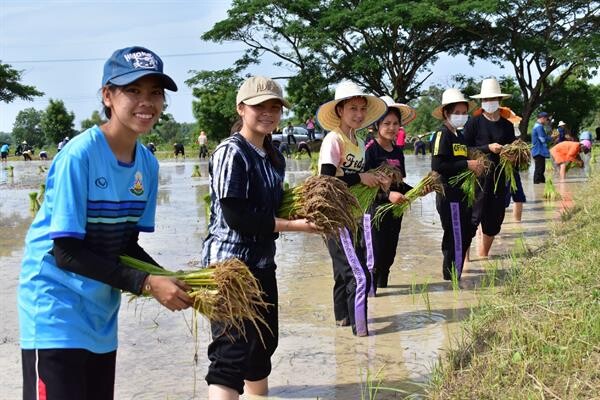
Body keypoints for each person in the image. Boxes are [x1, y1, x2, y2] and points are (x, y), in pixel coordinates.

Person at [18, 46, 192, 400]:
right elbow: (66, 251)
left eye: (155, 92)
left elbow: (123, 244)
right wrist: (147, 283)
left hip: (100, 314)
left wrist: (175, 281)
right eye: (133, 90)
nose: (147, 102)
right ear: (108, 96)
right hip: (54, 311)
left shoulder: (147, 164)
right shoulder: (79, 155)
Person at [201, 76, 316, 399]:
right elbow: (236, 216)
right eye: (259, 107)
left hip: (263, 261)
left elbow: (273, 206)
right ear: (241, 108)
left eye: (274, 107)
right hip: (230, 267)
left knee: (264, 343)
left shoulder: (273, 155)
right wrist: (296, 226)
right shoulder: (231, 152)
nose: (268, 113)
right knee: (231, 352)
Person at [317, 80, 387, 336]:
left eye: (361, 109)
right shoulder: (333, 141)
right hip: (335, 216)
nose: (358, 115)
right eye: (352, 109)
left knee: (343, 272)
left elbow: (356, 175)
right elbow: (326, 181)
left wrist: (374, 178)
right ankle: (362, 333)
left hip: (353, 215)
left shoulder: (356, 140)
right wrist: (360, 178)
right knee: (357, 275)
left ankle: (342, 324)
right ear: (339, 111)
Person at [431, 88, 483, 280]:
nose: (461, 117)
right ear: (446, 113)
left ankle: (456, 275)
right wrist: (467, 164)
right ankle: (450, 278)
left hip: (463, 193)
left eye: (464, 113)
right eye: (457, 113)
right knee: (454, 235)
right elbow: (438, 165)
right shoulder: (441, 135)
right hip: (448, 194)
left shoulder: (459, 136)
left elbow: (464, 162)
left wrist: (475, 166)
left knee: (466, 230)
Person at [364, 96, 416, 289]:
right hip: (375, 210)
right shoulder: (370, 150)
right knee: (374, 255)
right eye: (386, 123)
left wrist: (418, 190)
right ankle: (371, 296)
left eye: (395, 124)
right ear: (377, 125)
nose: (391, 128)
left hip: (394, 211)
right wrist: (387, 196)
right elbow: (364, 186)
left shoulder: (397, 151)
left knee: (389, 254)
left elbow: (399, 184)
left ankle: (383, 293)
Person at [464, 78, 516, 258]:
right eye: (486, 100)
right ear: (481, 102)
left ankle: (483, 257)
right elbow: (464, 149)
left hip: (499, 178)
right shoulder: (474, 123)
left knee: (494, 220)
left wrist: (510, 154)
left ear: (499, 101)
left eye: (492, 99)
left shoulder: (507, 126)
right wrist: (488, 148)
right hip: (477, 177)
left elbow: (513, 149)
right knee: (471, 218)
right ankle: (465, 261)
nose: (489, 103)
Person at [531, 111, 552, 184]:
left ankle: (541, 187)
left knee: (541, 170)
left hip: (538, 151)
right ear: (543, 118)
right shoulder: (539, 127)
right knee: (539, 170)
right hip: (538, 151)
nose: (547, 122)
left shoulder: (537, 126)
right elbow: (542, 139)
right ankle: (537, 185)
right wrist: (551, 137)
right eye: (547, 120)